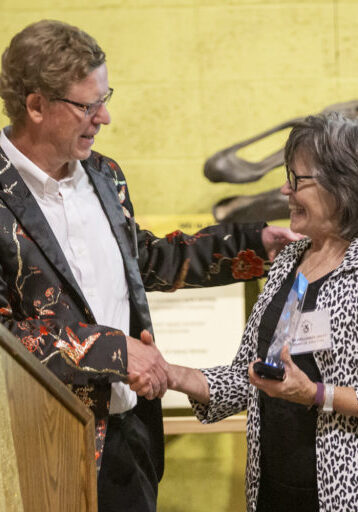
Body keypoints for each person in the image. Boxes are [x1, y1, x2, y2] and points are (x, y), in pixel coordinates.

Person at [0, 20, 299, 512]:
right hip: (41, 449)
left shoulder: (104, 173)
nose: (105, 117)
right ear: (35, 105)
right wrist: (113, 350)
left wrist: (252, 246)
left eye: (105, 97)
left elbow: (146, 260)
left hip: (129, 435)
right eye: (87, 105)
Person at [140, 113, 358, 512]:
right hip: (271, 490)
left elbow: (304, 390)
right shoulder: (289, 261)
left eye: (296, 180)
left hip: (341, 496)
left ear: (341, 186)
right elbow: (252, 376)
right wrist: (171, 373)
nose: (284, 190)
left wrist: (313, 394)